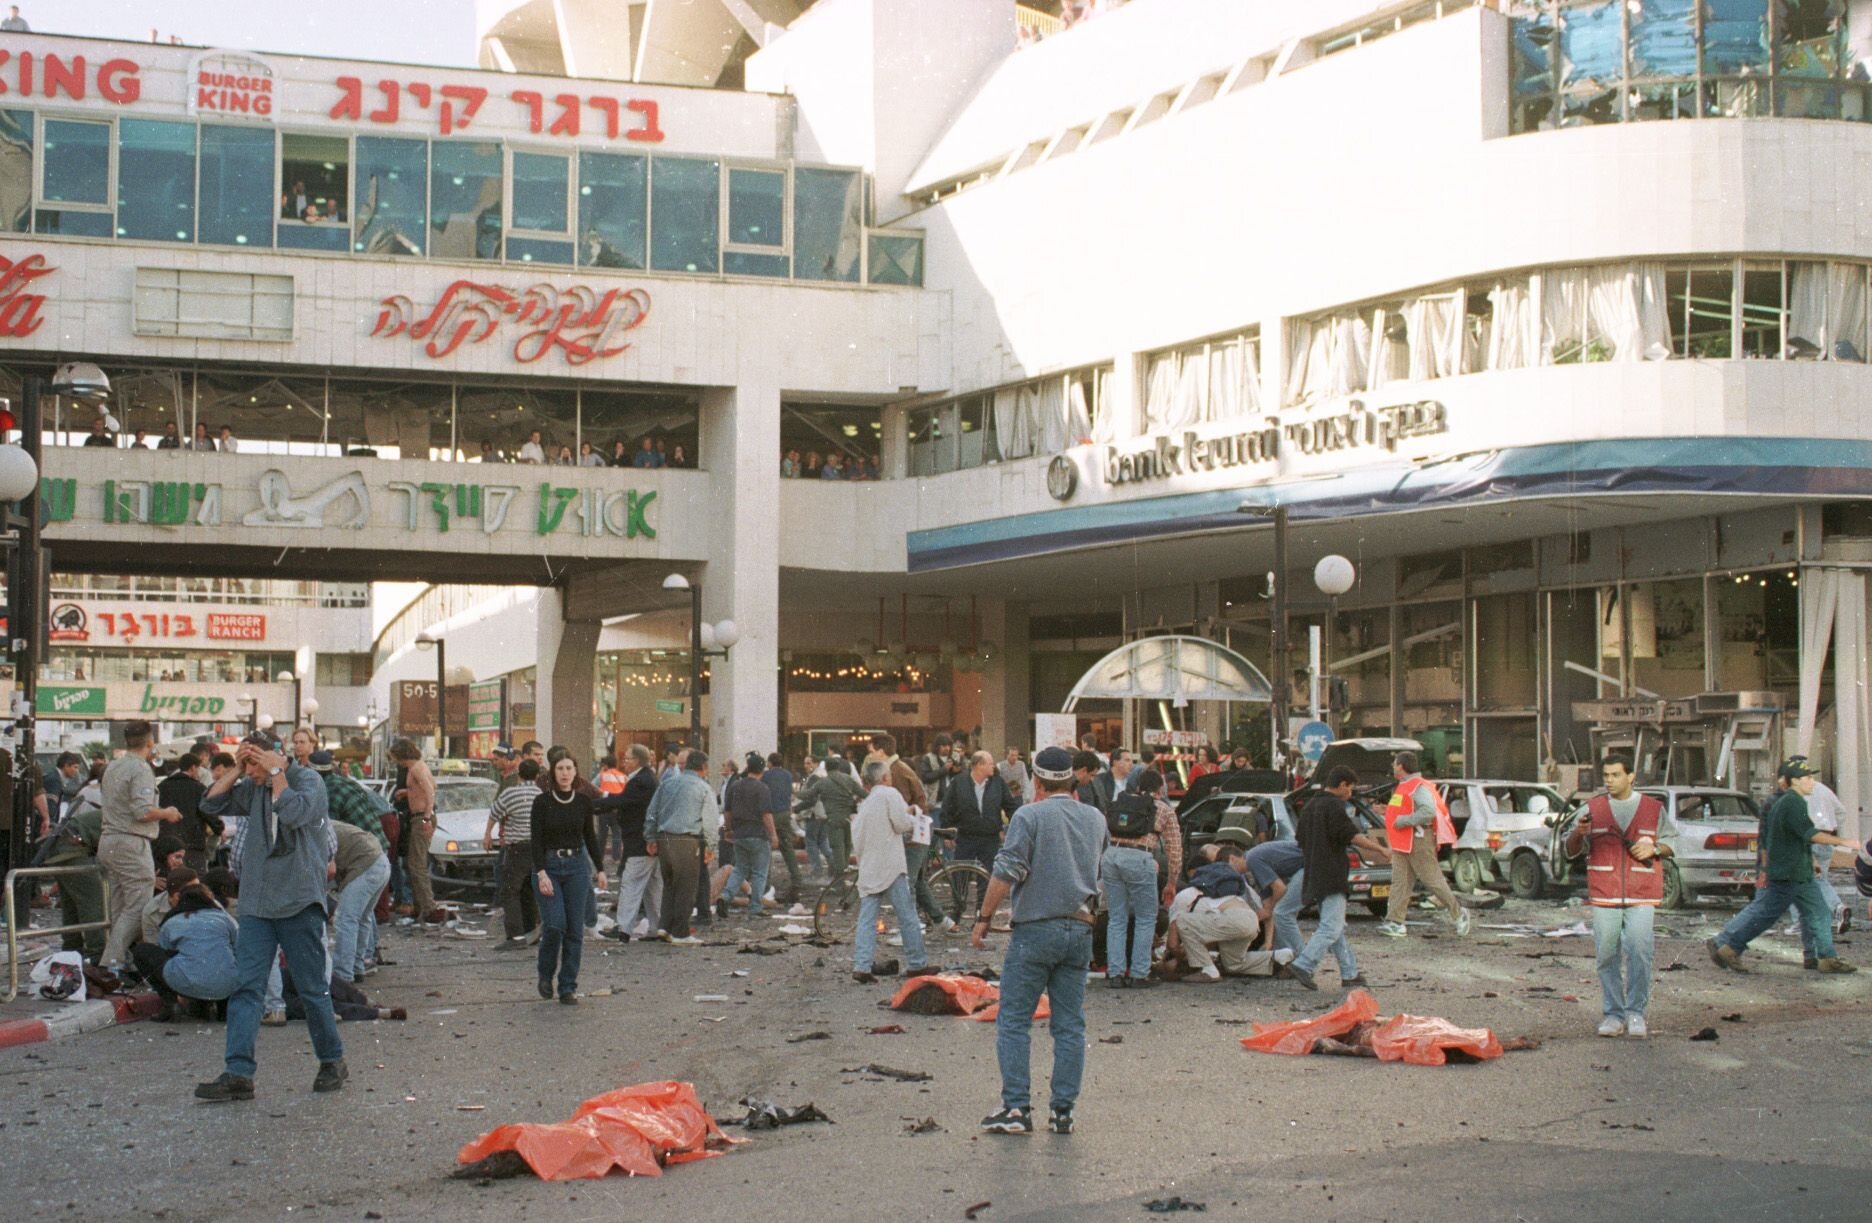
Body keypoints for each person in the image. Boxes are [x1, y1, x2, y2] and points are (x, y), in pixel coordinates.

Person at [196, 734, 345, 1101]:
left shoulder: (308, 781)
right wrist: (236, 768)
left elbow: (294, 812)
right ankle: (238, 1072)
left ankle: (331, 1059)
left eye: (254, 764)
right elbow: (211, 804)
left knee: (312, 989)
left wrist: (276, 769)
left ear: (274, 757)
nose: (250, 773)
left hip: (298, 900)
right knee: (247, 987)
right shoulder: (253, 786)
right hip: (257, 904)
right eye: (247, 765)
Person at [970, 745, 1105, 1137]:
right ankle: (1063, 1112)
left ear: (1037, 780)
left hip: (1035, 930)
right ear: (1071, 778)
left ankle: (1016, 1108)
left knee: (1013, 1020)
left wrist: (983, 919)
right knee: (1069, 1025)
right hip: (1080, 927)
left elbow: (1006, 871)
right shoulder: (1095, 819)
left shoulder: (1028, 816)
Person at [1709, 757, 1858, 974]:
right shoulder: (1792, 803)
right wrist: (1844, 842)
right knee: (1766, 915)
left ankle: (1826, 957)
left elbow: (1796, 837)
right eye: (1806, 778)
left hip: (1796, 872)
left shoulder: (1789, 802)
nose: (1811, 782)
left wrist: (1811, 861)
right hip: (1788, 874)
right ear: (1794, 781)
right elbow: (1808, 834)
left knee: (1818, 912)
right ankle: (1730, 947)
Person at [1559, 753, 1671, 1036]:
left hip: (1642, 892)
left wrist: (1655, 849)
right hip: (1605, 891)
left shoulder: (1653, 808)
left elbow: (1673, 841)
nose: (1609, 780)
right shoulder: (1592, 808)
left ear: (1631, 776)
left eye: (1615, 775)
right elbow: (1569, 850)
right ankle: (1613, 1015)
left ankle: (1636, 1014)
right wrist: (1578, 834)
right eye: (1606, 775)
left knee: (1640, 952)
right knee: (1606, 955)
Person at [1288, 766, 1390, 991]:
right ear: (1342, 784)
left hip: (1314, 871)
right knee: (1332, 927)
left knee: (1335, 927)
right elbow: (1351, 835)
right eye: (1351, 788)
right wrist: (1381, 849)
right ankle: (1304, 964)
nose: (1351, 794)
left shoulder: (1311, 805)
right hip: (1332, 872)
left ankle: (1349, 972)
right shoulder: (1334, 806)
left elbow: (1300, 838)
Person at [99, 721, 184, 972]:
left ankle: (121, 960)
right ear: (150, 742)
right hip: (131, 841)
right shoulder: (141, 769)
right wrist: (167, 813)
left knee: (119, 906)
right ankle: (112, 961)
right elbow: (142, 811)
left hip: (109, 840)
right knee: (139, 905)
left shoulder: (113, 766)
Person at [851, 761, 935, 983]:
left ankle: (862, 965)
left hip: (869, 867)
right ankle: (917, 963)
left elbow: (858, 838)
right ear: (886, 777)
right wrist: (914, 815)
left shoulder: (865, 804)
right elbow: (901, 824)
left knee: (867, 918)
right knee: (906, 914)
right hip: (891, 865)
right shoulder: (890, 794)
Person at [531, 754, 606, 1002]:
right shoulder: (542, 803)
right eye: (560, 769)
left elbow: (590, 837)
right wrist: (541, 872)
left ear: (576, 772)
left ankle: (567, 986)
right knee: (554, 925)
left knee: (575, 929)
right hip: (548, 867)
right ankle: (545, 974)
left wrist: (600, 869)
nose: (565, 773)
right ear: (553, 773)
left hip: (576, 867)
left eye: (569, 768)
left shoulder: (583, 802)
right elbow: (536, 841)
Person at [1102, 768, 1182, 988]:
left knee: (1117, 917)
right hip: (1140, 858)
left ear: (1137, 787)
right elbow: (1174, 849)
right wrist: (1172, 882)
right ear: (1159, 788)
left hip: (1111, 856)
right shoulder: (1163, 809)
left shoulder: (1123, 803)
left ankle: (1115, 973)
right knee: (1146, 918)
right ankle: (1139, 973)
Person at [1377, 752, 1469, 938]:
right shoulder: (1406, 786)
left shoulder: (1416, 786)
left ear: (1401, 766)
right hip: (1405, 841)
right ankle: (1395, 922)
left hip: (1417, 839)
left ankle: (1459, 914)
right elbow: (1408, 809)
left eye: (1395, 764)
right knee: (1400, 883)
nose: (1393, 767)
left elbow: (1428, 811)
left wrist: (1403, 821)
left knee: (1432, 880)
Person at [1166, 846, 1286, 981]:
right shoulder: (1215, 889)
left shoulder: (1181, 898)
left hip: (1235, 919)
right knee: (1233, 964)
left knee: (1182, 921)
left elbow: (1172, 944)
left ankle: (1209, 971)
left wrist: (1179, 958)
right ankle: (1280, 957)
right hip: (1250, 919)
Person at [135, 879, 239, 1023]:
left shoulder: (172, 922)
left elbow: (166, 952)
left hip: (185, 982)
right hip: (226, 985)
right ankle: (223, 1009)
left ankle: (170, 1004)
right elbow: (238, 948)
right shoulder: (225, 919)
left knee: (142, 951)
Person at [875, 733, 947, 932]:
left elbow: (901, 807)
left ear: (881, 752)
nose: (871, 756)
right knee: (918, 881)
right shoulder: (897, 769)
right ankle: (942, 921)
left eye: (872, 752)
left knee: (907, 882)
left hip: (913, 833)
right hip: (919, 830)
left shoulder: (894, 772)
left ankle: (911, 929)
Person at [939, 750, 1020, 917]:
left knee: (988, 876)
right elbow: (947, 807)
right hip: (965, 836)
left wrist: (1017, 826)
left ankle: (982, 914)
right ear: (978, 765)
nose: (993, 766)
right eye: (990, 763)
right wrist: (947, 834)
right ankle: (957, 912)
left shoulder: (997, 783)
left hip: (989, 837)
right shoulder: (959, 782)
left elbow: (1010, 806)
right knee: (960, 876)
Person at [645, 749, 714, 945]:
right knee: (686, 887)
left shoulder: (667, 783)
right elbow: (709, 821)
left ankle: (664, 927)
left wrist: (650, 837)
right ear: (703, 767)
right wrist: (710, 846)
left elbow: (652, 812)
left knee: (669, 885)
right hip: (687, 840)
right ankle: (681, 932)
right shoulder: (703, 787)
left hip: (663, 838)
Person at [605, 744, 661, 940]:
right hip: (648, 842)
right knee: (652, 889)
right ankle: (656, 927)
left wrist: (593, 805)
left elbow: (622, 801)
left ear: (637, 760)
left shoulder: (639, 781)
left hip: (639, 842)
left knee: (631, 885)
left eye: (627, 758)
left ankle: (623, 928)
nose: (624, 762)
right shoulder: (648, 778)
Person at [389, 739, 445, 925]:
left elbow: (430, 792)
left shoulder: (416, 769)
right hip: (421, 815)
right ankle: (421, 907)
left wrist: (426, 817)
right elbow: (431, 786)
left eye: (398, 759)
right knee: (415, 863)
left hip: (421, 816)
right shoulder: (420, 767)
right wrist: (409, 792)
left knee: (417, 864)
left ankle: (429, 907)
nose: (398, 763)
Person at [487, 758, 542, 944]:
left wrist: (487, 834)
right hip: (536, 848)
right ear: (537, 775)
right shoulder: (540, 794)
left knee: (510, 891)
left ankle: (515, 936)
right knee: (528, 890)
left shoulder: (511, 793)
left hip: (517, 848)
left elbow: (494, 813)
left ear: (519, 774)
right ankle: (531, 931)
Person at [329, 820, 389, 984]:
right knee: (362, 917)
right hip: (380, 861)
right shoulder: (326, 823)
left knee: (346, 919)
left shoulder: (313, 829)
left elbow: (329, 870)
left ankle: (343, 973)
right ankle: (356, 968)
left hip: (366, 865)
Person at [720, 755, 776, 918]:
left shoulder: (735, 786)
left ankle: (725, 896)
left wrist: (727, 829)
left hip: (739, 834)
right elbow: (766, 815)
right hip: (758, 834)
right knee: (759, 872)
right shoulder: (762, 788)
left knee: (740, 868)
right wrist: (773, 835)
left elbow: (727, 812)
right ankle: (755, 906)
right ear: (762, 770)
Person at [795, 756, 864, 877]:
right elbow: (863, 793)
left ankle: (839, 878)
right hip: (847, 818)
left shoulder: (823, 782)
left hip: (833, 819)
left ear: (826, 768)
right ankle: (844, 873)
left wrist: (794, 792)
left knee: (837, 849)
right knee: (847, 846)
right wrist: (854, 801)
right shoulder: (848, 779)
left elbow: (807, 795)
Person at [1805, 772, 1851, 933]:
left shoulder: (1798, 793)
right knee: (1820, 880)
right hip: (1826, 838)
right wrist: (1831, 825)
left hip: (1809, 840)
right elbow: (1842, 812)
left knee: (1807, 882)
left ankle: (1833, 909)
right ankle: (1833, 909)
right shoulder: (1823, 789)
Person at [1247, 836, 1306, 961]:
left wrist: (1267, 910)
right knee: (1279, 912)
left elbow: (1280, 889)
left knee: (1283, 913)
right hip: (1303, 867)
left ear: (1233, 859)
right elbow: (1269, 907)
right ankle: (1282, 956)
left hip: (1311, 865)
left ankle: (1302, 962)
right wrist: (1268, 943)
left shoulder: (1252, 860)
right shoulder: (1256, 865)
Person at [761, 752, 804, 901]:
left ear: (770, 763)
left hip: (771, 814)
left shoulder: (766, 776)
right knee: (787, 848)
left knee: (766, 849)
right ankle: (796, 878)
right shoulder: (787, 775)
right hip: (785, 813)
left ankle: (765, 883)